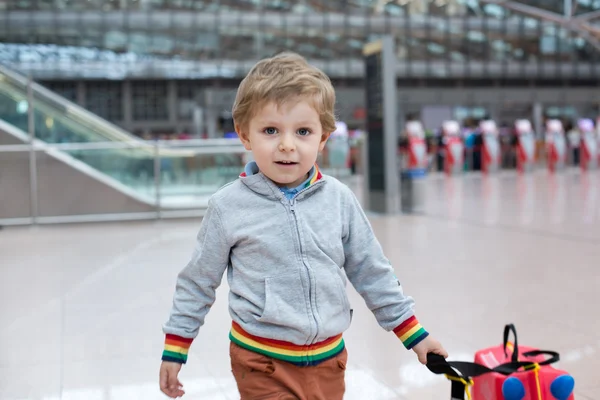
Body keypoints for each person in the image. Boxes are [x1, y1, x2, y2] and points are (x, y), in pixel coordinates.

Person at [159, 52, 448, 400]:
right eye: (270, 130)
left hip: (329, 360)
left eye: (303, 131)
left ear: (323, 138)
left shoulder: (339, 200)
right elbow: (198, 281)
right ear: (244, 134)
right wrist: (177, 345)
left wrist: (413, 334)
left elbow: (372, 271)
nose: (287, 144)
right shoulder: (228, 207)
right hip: (261, 361)